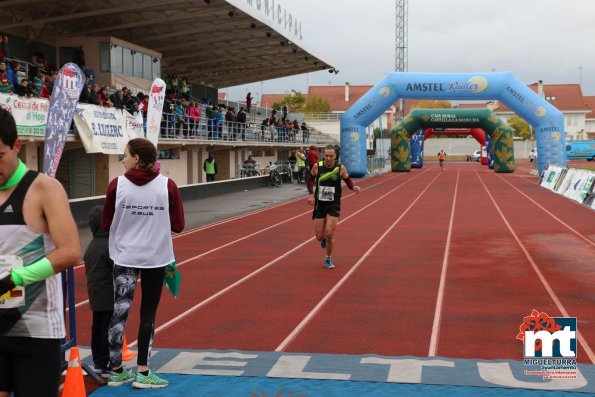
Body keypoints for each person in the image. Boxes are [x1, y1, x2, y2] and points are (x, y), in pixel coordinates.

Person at [0, 108, 81, 397]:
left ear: (16, 146)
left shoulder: (45, 188)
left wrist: (15, 279)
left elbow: (71, 252)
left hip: (35, 332)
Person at [102, 138, 184, 389]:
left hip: (125, 255)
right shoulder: (167, 185)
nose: (123, 159)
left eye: (125, 155)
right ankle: (143, 372)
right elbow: (179, 225)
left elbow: (106, 223)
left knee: (119, 311)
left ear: (136, 158)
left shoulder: (118, 184)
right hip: (155, 257)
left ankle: (115, 370)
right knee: (148, 311)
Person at [307, 144, 360, 269]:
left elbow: (347, 180)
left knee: (330, 233)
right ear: (323, 156)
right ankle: (323, 239)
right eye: (326, 156)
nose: (329, 158)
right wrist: (310, 194)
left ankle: (328, 259)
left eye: (331, 156)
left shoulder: (340, 168)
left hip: (333, 204)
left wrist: (353, 187)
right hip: (320, 204)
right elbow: (309, 180)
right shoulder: (317, 167)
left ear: (335, 156)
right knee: (319, 236)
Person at [83, 206, 114, 379]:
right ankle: (105, 363)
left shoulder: (93, 244)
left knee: (98, 328)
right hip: (107, 294)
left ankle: (99, 362)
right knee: (106, 330)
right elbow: (118, 265)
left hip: (96, 294)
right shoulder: (107, 245)